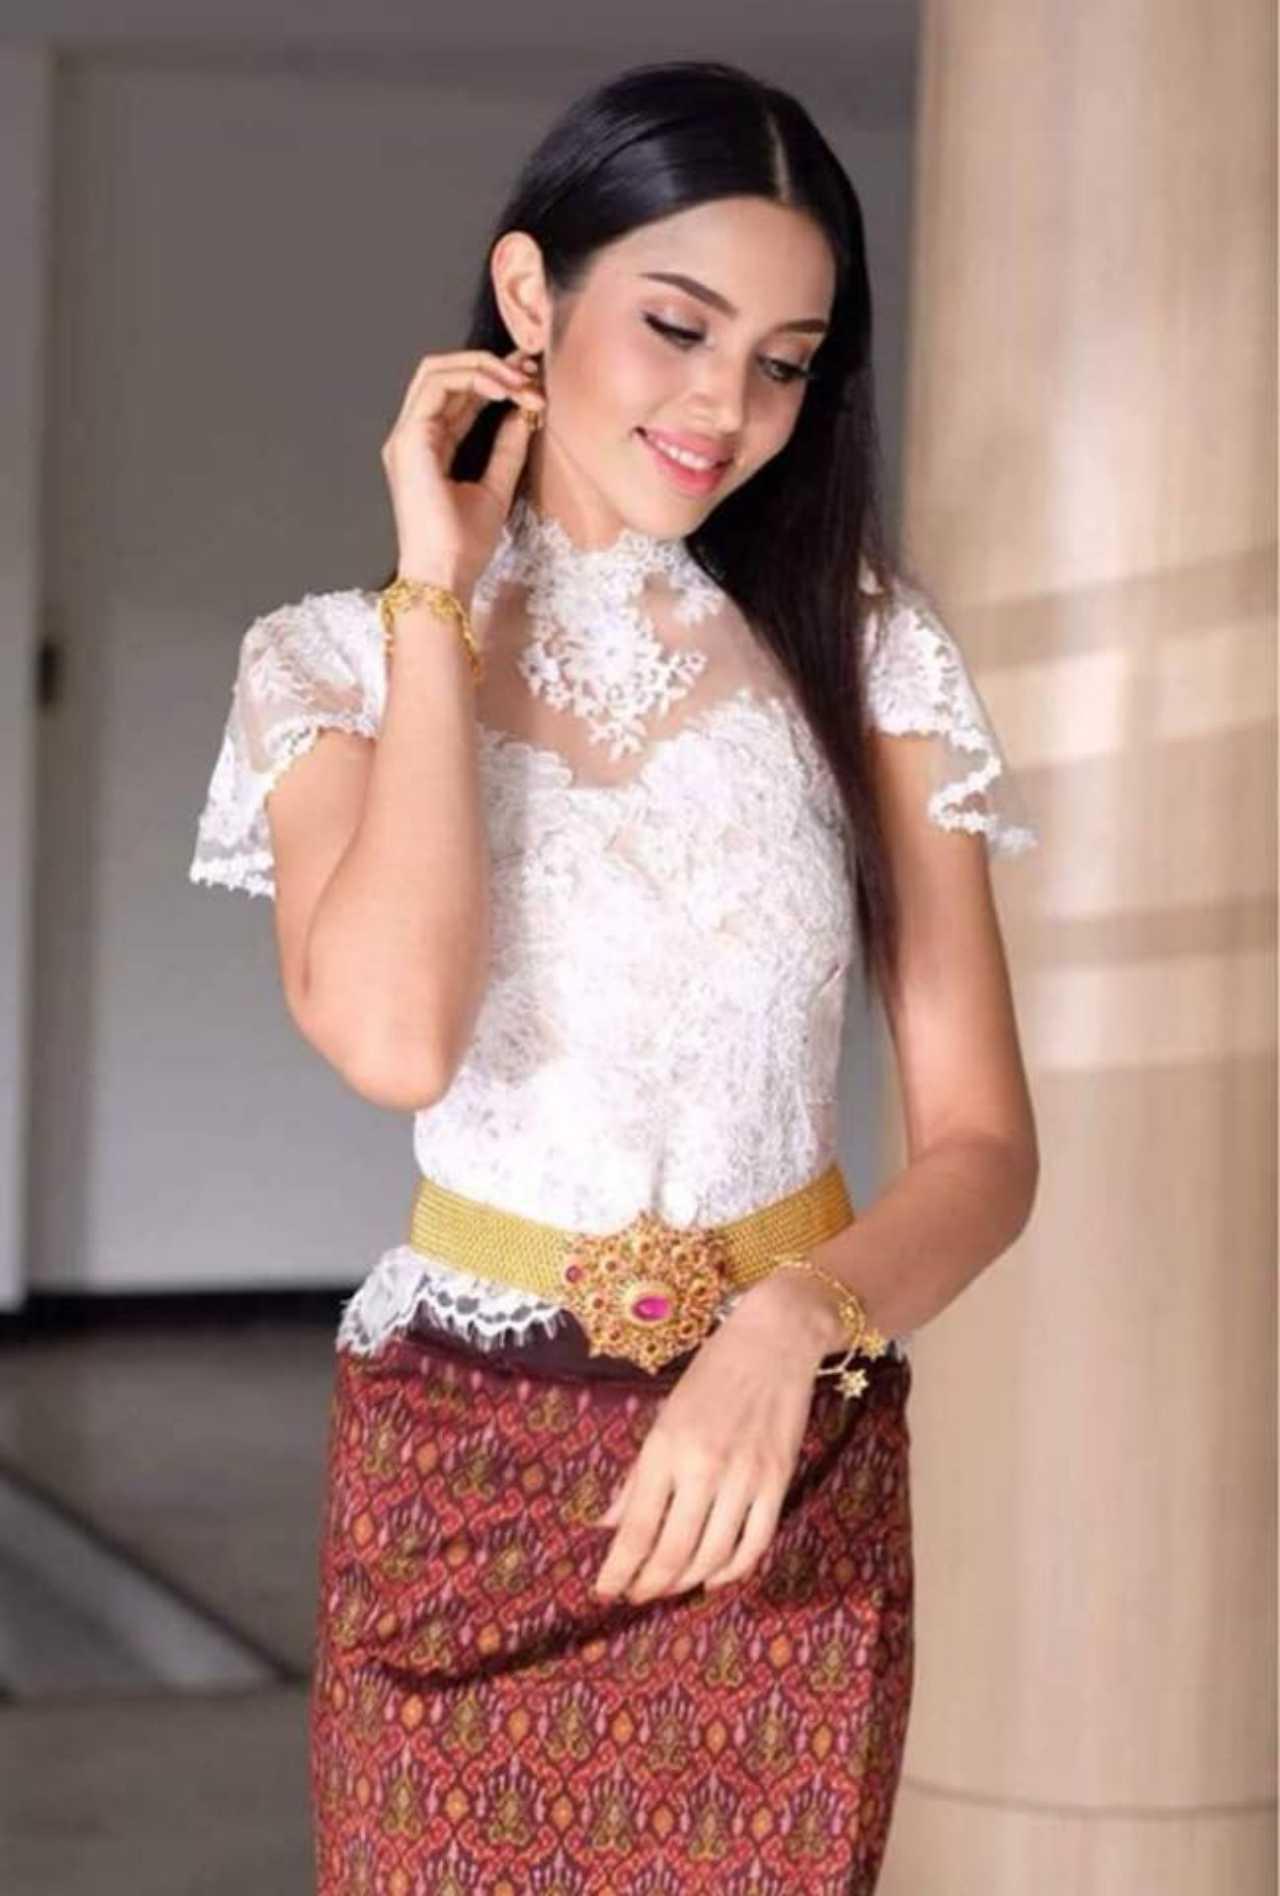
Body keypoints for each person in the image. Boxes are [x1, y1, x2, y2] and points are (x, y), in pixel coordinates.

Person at [189, 58, 1040, 1896]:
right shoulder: (326, 665)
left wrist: (789, 1325)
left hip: (776, 1475)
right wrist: (435, 599)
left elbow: (983, 1148)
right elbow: (397, 1034)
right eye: (678, 324)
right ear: (528, 293)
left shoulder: (872, 658)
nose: (726, 405)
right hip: (460, 1473)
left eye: (788, 360)